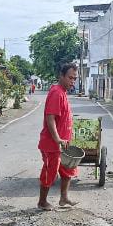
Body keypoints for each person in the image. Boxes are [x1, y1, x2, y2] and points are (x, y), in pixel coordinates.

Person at [37, 62, 79, 211]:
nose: (72, 81)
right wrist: (57, 139)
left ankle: (64, 198)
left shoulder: (63, 93)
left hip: (63, 143)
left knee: (68, 169)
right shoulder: (56, 92)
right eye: (70, 78)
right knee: (50, 172)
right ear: (61, 76)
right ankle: (42, 202)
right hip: (52, 144)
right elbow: (50, 118)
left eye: (74, 78)